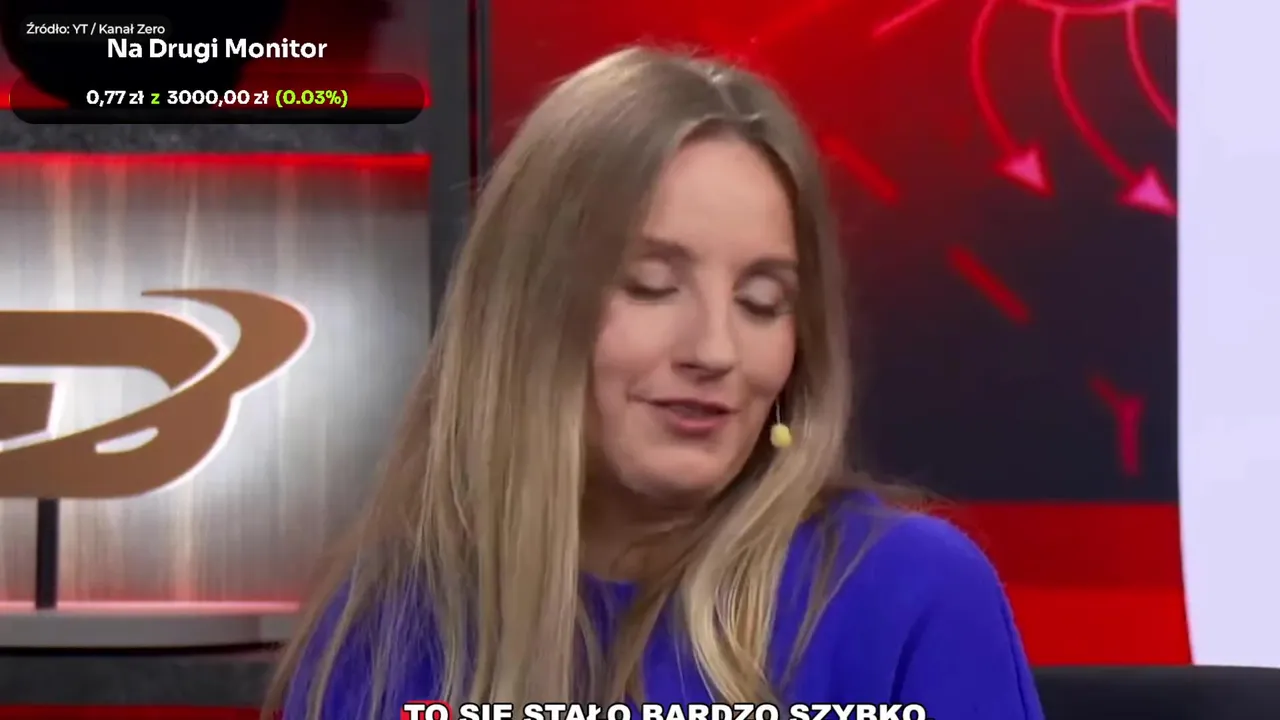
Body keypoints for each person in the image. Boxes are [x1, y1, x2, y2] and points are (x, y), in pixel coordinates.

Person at [264, 46, 1044, 720]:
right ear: (526, 312)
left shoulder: (913, 599)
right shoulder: (383, 627)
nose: (715, 350)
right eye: (651, 285)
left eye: (761, 302)